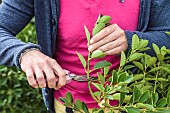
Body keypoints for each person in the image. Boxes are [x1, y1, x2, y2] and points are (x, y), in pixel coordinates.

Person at [0, 0, 170, 113]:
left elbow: (167, 34)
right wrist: (25, 54)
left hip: (134, 105)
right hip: (67, 106)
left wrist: (134, 41)